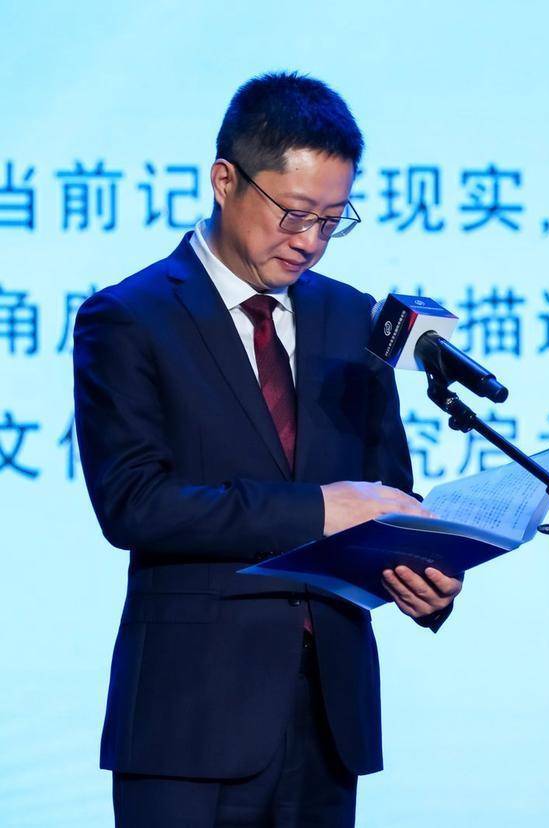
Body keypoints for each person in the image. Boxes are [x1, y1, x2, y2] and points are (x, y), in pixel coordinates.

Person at [73, 72, 462, 827]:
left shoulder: (352, 318)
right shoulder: (130, 318)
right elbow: (134, 504)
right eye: (294, 213)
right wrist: (317, 511)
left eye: (332, 220)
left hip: (328, 718)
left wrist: (420, 571)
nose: (310, 240)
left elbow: (384, 491)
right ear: (225, 180)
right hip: (188, 721)